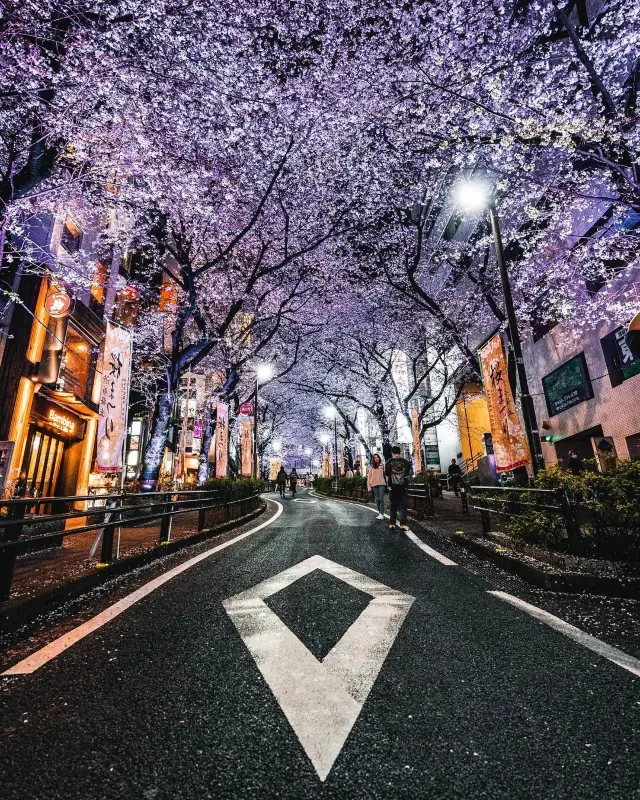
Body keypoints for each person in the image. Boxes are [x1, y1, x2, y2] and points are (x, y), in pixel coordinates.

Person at [385, 445, 412, 530]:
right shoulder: (406, 462)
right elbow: (408, 473)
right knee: (403, 505)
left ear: (392, 453)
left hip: (393, 487)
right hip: (403, 486)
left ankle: (392, 523)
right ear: (399, 452)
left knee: (393, 505)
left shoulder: (388, 462)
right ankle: (403, 524)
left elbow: (386, 473)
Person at [367, 453, 386, 519]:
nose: (376, 458)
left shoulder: (383, 465)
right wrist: (369, 487)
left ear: (379, 458)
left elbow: (386, 475)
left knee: (381, 499)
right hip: (374, 484)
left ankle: (382, 514)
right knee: (377, 499)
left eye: (377, 457)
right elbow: (369, 477)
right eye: (375, 458)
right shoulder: (371, 466)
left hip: (381, 484)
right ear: (373, 459)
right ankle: (379, 513)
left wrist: (389, 484)